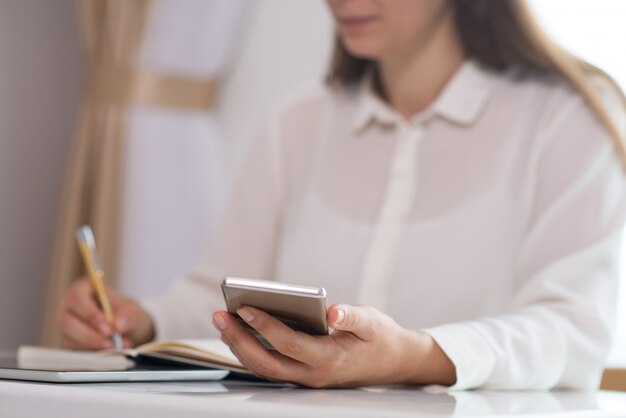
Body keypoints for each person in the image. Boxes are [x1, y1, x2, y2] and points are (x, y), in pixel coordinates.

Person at [57, 0, 626, 390]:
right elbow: (220, 291)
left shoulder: (565, 117)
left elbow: (571, 330)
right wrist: (142, 320)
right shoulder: (298, 122)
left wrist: (413, 356)